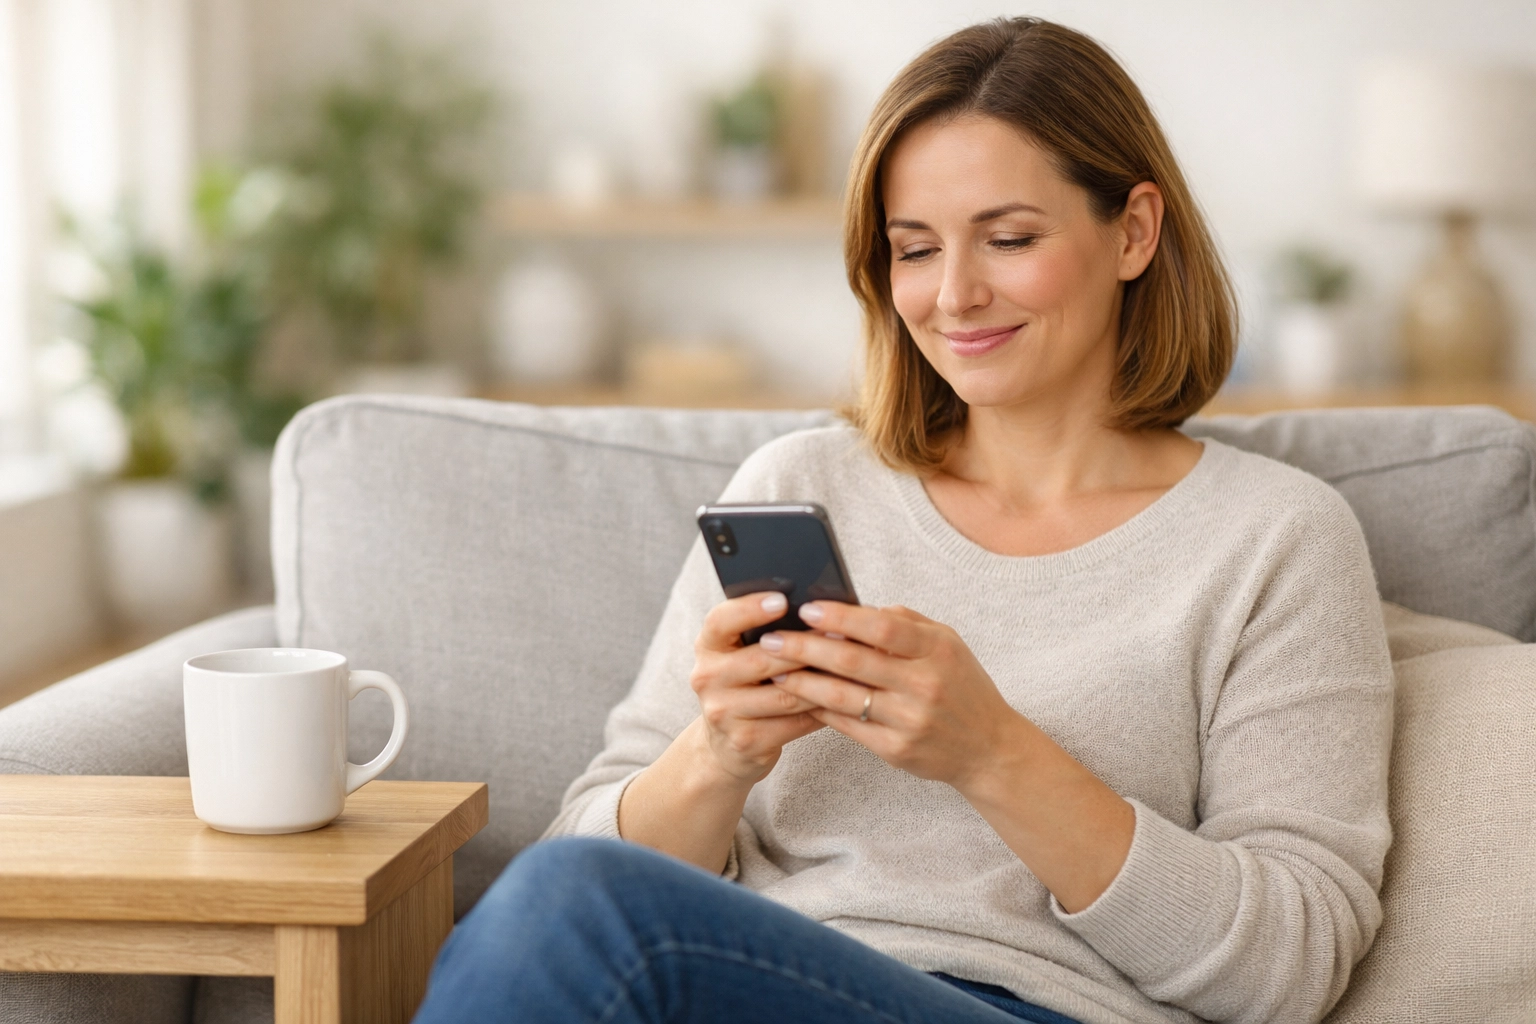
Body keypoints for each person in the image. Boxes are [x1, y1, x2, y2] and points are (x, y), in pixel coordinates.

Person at [412, 17, 1392, 1024]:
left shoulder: (1274, 537)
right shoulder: (801, 483)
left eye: (1009, 239)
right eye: (914, 249)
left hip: (1036, 1009)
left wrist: (993, 752)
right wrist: (719, 752)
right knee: (564, 895)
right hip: (755, 985)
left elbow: (1292, 967)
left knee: (578, 904)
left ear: (1134, 231)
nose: (955, 296)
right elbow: (572, 880)